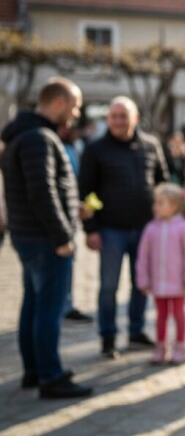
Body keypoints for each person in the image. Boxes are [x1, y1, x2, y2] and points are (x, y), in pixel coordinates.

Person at [1, 77, 92, 398]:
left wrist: (73, 206)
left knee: (33, 305)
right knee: (48, 310)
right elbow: (42, 192)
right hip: (44, 239)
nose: (77, 112)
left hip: (29, 235)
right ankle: (50, 377)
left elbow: (41, 189)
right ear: (59, 103)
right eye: (75, 105)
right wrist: (62, 236)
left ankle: (34, 371)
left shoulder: (24, 134)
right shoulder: (39, 138)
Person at [79, 96, 169, 359]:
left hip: (145, 230)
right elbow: (87, 192)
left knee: (141, 284)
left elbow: (163, 182)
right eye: (114, 116)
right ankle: (108, 338)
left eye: (123, 116)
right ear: (108, 119)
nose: (119, 121)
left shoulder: (151, 145)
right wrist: (91, 229)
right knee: (109, 287)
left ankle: (136, 332)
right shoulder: (95, 150)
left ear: (135, 118)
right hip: (110, 230)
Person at [136, 183, 185, 364]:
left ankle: (180, 345)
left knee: (179, 313)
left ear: (174, 206)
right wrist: (143, 278)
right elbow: (143, 256)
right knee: (161, 315)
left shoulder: (184, 228)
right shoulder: (151, 228)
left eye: (160, 203)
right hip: (158, 283)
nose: (155, 207)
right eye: (156, 202)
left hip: (177, 282)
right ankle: (161, 346)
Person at [58, 124, 93, 323]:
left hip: (70, 217)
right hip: (57, 221)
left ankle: (67, 304)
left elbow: (73, 181)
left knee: (69, 264)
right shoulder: (54, 145)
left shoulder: (71, 148)